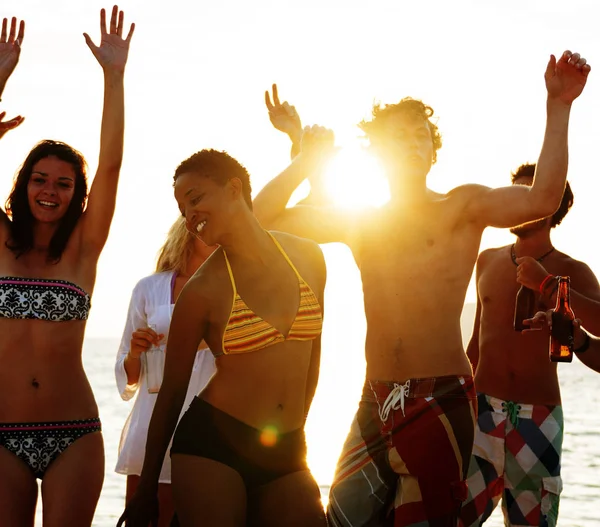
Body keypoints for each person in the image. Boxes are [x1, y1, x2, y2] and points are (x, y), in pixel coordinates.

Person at [253, 51, 590, 526]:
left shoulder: (461, 208)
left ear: (433, 151)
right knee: (342, 519)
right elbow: (262, 218)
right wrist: (305, 158)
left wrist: (559, 108)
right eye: (398, 138)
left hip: (441, 397)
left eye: (420, 137)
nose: (412, 144)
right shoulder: (362, 222)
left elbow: (542, 197)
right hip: (375, 397)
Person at [118, 149, 328, 527]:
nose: (190, 216)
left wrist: (298, 433)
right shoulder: (200, 293)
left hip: (287, 449)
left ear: (234, 189)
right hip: (213, 447)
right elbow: (171, 393)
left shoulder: (309, 257)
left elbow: (312, 357)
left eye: (196, 199)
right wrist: (146, 490)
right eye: (183, 210)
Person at [0, 7, 134, 526]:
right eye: (39, 179)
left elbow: (113, 162)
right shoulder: (3, 246)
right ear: (23, 184)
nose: (49, 191)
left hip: (73, 433)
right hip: (3, 433)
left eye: (63, 183)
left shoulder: (83, 251)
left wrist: (115, 77)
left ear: (77, 193)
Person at [459, 164, 600, 526]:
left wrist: (548, 284)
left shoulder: (574, 270)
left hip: (538, 417)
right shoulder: (487, 260)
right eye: (516, 195)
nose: (520, 204)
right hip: (481, 413)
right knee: (455, 517)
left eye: (531, 195)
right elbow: (477, 340)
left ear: (553, 206)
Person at [115, 216, 217, 527]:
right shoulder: (149, 288)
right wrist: (136, 351)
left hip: (210, 429)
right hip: (152, 424)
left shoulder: (235, 287)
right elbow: (128, 375)